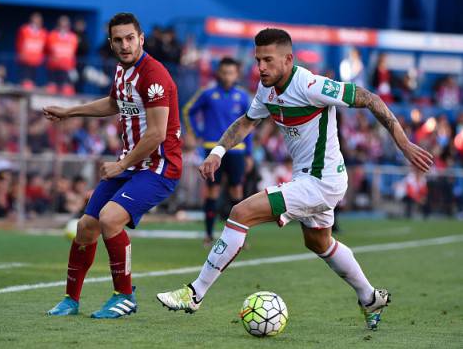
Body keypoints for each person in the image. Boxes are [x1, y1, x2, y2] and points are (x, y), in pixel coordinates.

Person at [157, 28, 433, 330]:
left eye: (268, 60)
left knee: (240, 213)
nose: (260, 67)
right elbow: (247, 121)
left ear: (288, 60)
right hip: (309, 178)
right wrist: (219, 151)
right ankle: (369, 298)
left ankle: (194, 293)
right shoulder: (267, 88)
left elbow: (368, 98)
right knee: (319, 242)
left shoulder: (311, 85)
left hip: (322, 181)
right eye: (258, 59)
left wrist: (403, 142)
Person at [44, 12, 182, 319]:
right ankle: (70, 299)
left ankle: (125, 295)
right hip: (132, 165)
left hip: (159, 168)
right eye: (118, 40)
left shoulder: (154, 75)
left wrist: (120, 165)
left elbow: (157, 133)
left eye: (130, 38)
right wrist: (70, 112)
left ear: (141, 38)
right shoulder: (122, 70)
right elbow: (113, 102)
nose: (124, 45)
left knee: (109, 219)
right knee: (85, 228)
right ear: (111, 43)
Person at [183, 57, 252, 246]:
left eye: (231, 72)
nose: (227, 75)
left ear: (236, 74)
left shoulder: (243, 96)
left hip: (237, 149)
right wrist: (197, 133)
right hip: (212, 148)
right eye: (224, 72)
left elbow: (249, 126)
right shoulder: (207, 93)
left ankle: (239, 238)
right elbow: (188, 110)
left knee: (236, 192)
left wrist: (249, 153)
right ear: (218, 73)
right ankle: (208, 234)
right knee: (212, 191)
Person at [45, 16, 78, 95]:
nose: (64, 27)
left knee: (66, 89)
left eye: (66, 25)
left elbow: (74, 51)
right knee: (52, 88)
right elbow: (47, 49)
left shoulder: (73, 37)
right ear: (58, 25)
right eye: (61, 25)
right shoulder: (52, 35)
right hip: (54, 66)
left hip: (67, 67)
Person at [15, 12, 47, 90]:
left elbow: (45, 46)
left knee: (33, 76)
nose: (37, 21)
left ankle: (32, 86)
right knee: (25, 76)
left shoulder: (43, 32)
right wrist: (20, 54)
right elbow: (19, 43)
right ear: (31, 19)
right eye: (35, 19)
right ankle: (24, 85)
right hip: (25, 58)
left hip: (37, 59)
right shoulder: (24, 29)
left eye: (39, 20)